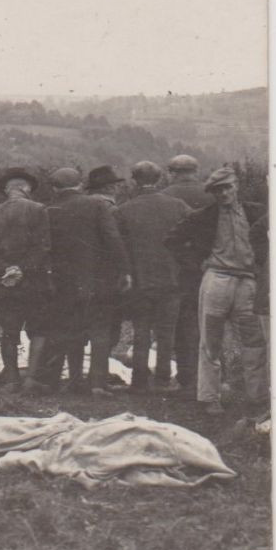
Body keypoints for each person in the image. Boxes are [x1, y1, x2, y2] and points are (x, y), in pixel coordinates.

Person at [164, 165, 268, 421]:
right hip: (217, 280)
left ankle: (258, 397)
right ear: (212, 193)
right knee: (211, 340)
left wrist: (261, 264)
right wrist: (195, 263)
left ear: (236, 186)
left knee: (254, 341)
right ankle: (209, 398)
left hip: (248, 282)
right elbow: (172, 240)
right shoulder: (204, 216)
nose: (223, 194)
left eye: (227, 188)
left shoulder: (256, 211)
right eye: (217, 190)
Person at [38, 167, 129, 393]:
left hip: (64, 282)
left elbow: (45, 248)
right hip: (99, 280)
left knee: (71, 330)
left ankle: (74, 379)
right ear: (79, 185)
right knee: (100, 330)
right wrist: (124, 270)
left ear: (54, 187)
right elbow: (112, 239)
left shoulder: (49, 210)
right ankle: (97, 383)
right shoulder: (97, 205)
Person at [114, 161, 190, 391]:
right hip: (172, 279)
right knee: (166, 333)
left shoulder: (123, 210)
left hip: (139, 281)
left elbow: (118, 247)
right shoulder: (179, 206)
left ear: (134, 180)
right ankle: (163, 380)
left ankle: (139, 381)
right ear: (159, 179)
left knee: (141, 332)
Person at [0, 166, 51, 389]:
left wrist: (6, 271)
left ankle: (11, 379)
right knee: (39, 329)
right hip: (34, 283)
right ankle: (31, 378)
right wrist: (22, 269)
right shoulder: (39, 209)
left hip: (6, 285)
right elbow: (44, 247)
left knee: (9, 331)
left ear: (7, 190)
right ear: (25, 188)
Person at [161, 154, 213, 390]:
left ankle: (186, 375)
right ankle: (210, 376)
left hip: (177, 270)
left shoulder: (165, 196)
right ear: (196, 170)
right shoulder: (212, 193)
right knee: (210, 322)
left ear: (172, 172)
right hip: (210, 267)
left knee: (183, 323)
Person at [83, 165, 131, 388]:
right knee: (107, 329)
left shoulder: (79, 206)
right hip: (106, 278)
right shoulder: (112, 210)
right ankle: (98, 379)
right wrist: (125, 271)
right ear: (110, 187)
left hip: (79, 277)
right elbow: (117, 243)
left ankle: (81, 376)